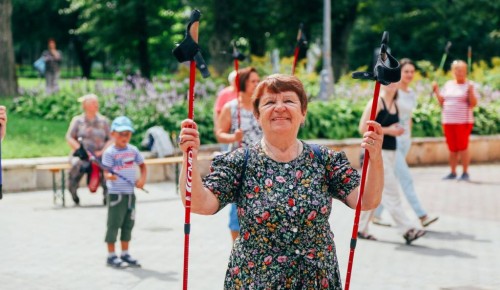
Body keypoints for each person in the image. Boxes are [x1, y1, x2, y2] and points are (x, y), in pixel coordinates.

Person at [178, 74, 384, 288]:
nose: (279, 108)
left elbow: (366, 201)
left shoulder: (325, 160)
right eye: (269, 102)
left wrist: (376, 157)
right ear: (257, 115)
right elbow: (199, 203)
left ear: (303, 113)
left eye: (288, 100)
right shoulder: (240, 162)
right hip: (256, 280)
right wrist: (188, 156)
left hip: (316, 280)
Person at [372, 59, 439, 228]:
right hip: (392, 140)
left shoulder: (410, 93)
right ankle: (421, 215)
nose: (409, 74)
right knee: (405, 178)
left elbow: (408, 118)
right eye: (406, 71)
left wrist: (409, 136)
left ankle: (375, 214)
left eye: (412, 71)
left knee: (391, 178)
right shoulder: (393, 92)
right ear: (398, 73)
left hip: (404, 140)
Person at [358, 82, 426, 244]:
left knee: (375, 193)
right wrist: (389, 130)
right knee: (391, 192)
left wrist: (399, 131)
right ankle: (407, 229)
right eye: (388, 81)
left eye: (394, 80)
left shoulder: (395, 103)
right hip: (376, 154)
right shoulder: (376, 102)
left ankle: (361, 228)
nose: (391, 84)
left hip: (392, 152)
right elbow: (363, 128)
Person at [215, 67, 262, 242]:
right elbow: (220, 133)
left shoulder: (262, 106)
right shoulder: (231, 108)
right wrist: (233, 137)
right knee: (237, 208)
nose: (257, 84)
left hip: (263, 163)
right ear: (242, 83)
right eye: (253, 81)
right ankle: (237, 247)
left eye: (258, 81)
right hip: (241, 165)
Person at [102, 116, 147, 268]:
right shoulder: (110, 153)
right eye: (121, 134)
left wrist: (141, 180)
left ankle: (125, 253)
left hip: (129, 195)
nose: (124, 137)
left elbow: (142, 165)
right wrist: (110, 176)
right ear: (113, 134)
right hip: (116, 195)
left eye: (127, 134)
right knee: (114, 224)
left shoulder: (133, 150)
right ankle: (111, 255)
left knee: (128, 224)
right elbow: (106, 173)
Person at [432, 60, 479, 181]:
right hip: (448, 121)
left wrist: (471, 91)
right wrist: (436, 91)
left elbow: (473, 104)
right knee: (452, 148)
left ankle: (465, 172)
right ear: (453, 72)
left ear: (466, 72)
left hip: (463, 121)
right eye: (458, 71)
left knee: (463, 147)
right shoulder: (448, 84)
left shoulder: (470, 85)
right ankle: (452, 172)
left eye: (463, 71)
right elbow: (442, 102)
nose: (460, 74)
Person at [66, 94, 113, 205]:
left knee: (108, 165)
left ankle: (107, 194)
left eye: (96, 103)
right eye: (93, 103)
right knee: (77, 165)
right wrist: (81, 149)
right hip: (82, 155)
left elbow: (111, 139)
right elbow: (69, 137)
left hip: (99, 154)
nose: (96, 105)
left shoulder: (103, 121)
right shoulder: (78, 121)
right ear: (85, 106)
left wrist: (102, 151)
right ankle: (73, 191)